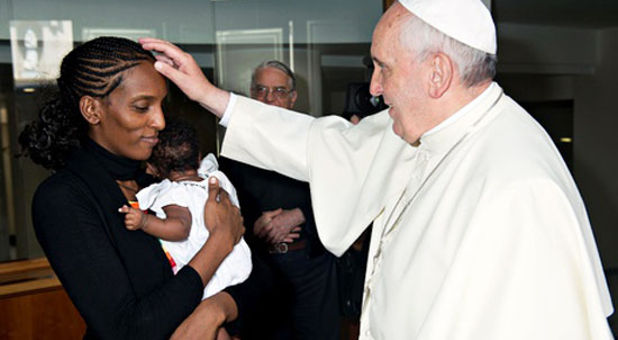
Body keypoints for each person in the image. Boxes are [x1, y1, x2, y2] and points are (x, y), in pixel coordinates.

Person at [140, 0, 614, 338]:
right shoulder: (427, 123)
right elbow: (323, 144)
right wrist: (209, 96)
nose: (374, 87)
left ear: (438, 74)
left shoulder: (520, 187)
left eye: (384, 67)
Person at [18, 36, 246, 340]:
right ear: (92, 110)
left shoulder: (161, 180)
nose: (161, 121)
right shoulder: (62, 199)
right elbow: (127, 330)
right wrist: (220, 241)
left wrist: (215, 309)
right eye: (142, 107)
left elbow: (263, 281)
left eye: (161, 105)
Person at [219, 60, 339, 339]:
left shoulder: (317, 139)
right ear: (251, 94)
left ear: (293, 98)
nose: (269, 98)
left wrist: (299, 215)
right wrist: (254, 225)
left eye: (279, 91)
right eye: (261, 90)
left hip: (311, 267)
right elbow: (226, 202)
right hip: (261, 267)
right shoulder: (235, 146)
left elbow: (343, 192)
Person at [119, 119, 252, 301]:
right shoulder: (215, 179)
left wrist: (144, 221)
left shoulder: (174, 194)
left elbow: (180, 228)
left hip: (206, 274)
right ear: (198, 157)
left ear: (154, 169)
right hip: (234, 264)